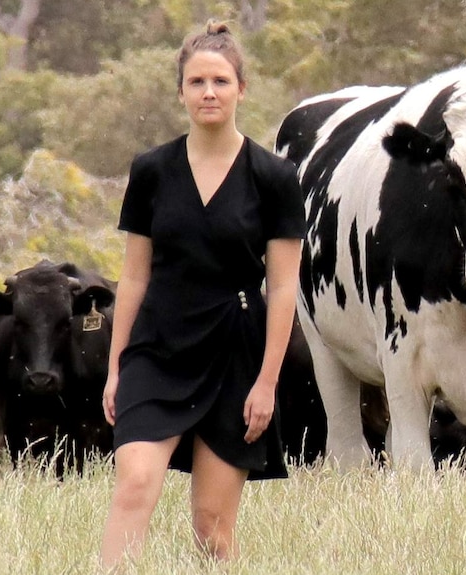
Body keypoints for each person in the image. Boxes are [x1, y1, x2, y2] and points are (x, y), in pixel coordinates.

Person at [99, 20, 305, 568]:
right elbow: (135, 277)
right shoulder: (151, 171)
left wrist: (267, 382)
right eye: (196, 82)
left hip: (235, 351)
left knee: (212, 532)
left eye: (219, 80)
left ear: (241, 88)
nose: (208, 92)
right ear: (181, 91)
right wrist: (117, 365)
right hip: (157, 346)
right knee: (135, 483)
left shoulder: (274, 177)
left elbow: (283, 287)